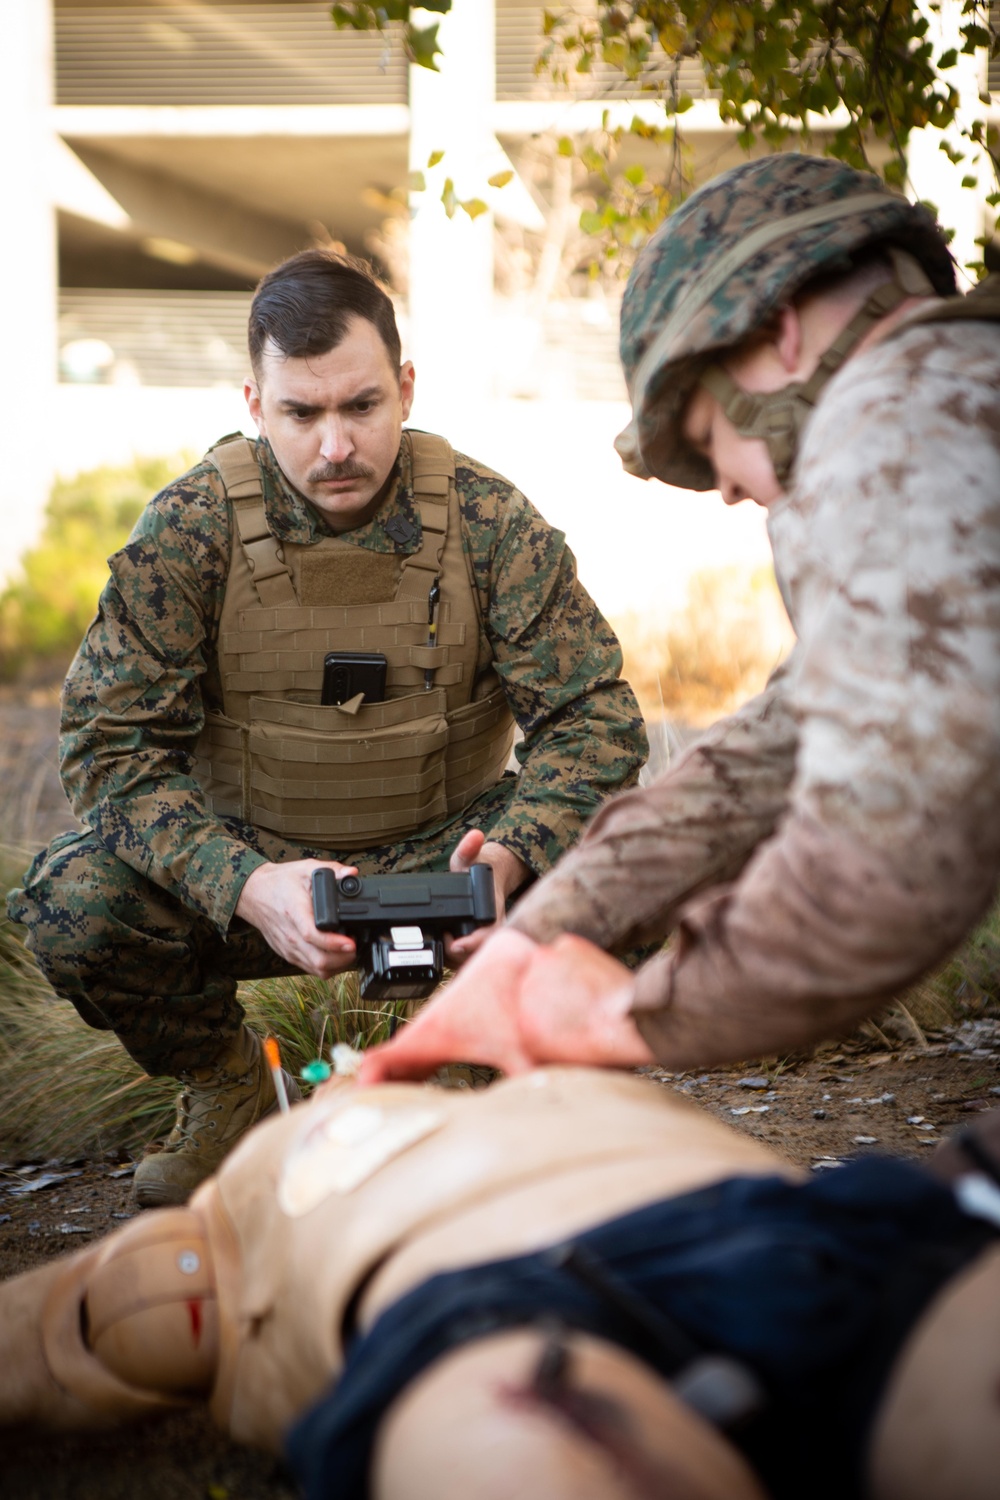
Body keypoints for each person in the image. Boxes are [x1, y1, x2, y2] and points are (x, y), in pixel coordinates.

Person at [6, 250, 647, 1207]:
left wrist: (508, 856)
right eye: (303, 415)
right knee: (75, 903)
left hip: (453, 852)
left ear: (406, 388)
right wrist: (249, 886)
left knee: (636, 868)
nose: (335, 446)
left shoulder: (486, 518)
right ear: (257, 407)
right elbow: (109, 752)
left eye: (361, 406)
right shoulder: (191, 530)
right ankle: (231, 1089)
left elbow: (596, 719)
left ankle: (477, 1063)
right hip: (259, 865)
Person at [357, 151, 1000, 1088]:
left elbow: (876, 873)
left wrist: (618, 1019)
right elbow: (774, 753)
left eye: (709, 440)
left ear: (780, 334)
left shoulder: (887, 424)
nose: (733, 489)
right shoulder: (965, 393)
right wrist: (535, 938)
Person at [2, 1064, 999, 1500]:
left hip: (791, 1224)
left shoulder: (538, 1050)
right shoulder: (233, 1201)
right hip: (479, 1310)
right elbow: (71, 1328)